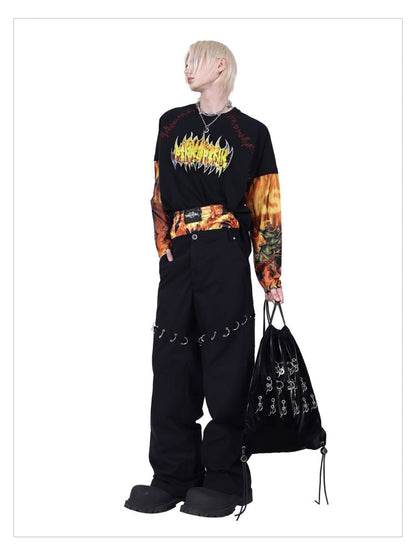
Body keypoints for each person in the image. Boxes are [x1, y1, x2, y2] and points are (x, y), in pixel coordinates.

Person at [124, 40, 283, 518]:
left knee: (227, 367)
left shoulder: (252, 133)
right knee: (172, 363)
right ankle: (174, 475)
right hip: (179, 254)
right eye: (185, 61)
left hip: (224, 251)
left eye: (195, 60)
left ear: (220, 65)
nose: (186, 68)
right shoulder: (170, 123)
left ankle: (226, 479)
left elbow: (266, 205)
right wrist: (162, 243)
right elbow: (158, 189)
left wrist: (270, 273)